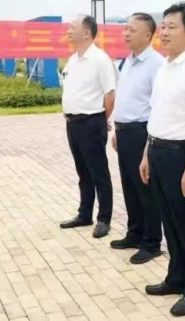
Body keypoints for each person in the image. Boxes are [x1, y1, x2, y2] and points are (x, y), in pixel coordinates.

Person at [140, 2, 185, 317]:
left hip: (181, 155)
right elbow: (157, 115)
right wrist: (147, 154)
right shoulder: (164, 69)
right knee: (169, 221)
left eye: (172, 27)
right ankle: (176, 278)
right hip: (158, 151)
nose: (165, 32)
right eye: (164, 26)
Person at [109, 13, 165, 264]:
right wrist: (116, 129)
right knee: (130, 186)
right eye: (125, 29)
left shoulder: (156, 64)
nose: (126, 34)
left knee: (146, 189)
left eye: (132, 30)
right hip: (124, 132)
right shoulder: (128, 62)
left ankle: (151, 243)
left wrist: (149, 143)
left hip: (142, 133)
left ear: (148, 34)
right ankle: (135, 233)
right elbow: (126, 98)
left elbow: (157, 106)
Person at [60, 15, 116, 239]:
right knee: (82, 171)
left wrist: (101, 119)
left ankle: (104, 219)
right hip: (72, 123)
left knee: (98, 171)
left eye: (72, 27)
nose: (68, 30)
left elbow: (110, 95)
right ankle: (84, 214)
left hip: (92, 123)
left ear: (86, 33)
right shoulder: (73, 59)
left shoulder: (100, 59)